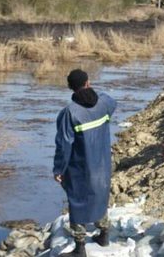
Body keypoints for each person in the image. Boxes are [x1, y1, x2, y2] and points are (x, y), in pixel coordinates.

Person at [54, 69, 117, 257]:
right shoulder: (104, 103)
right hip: (103, 163)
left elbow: (64, 145)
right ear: (88, 82)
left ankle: (80, 248)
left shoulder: (69, 113)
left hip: (80, 167)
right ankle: (104, 235)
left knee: (77, 202)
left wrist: (59, 169)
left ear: (69, 87)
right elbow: (111, 102)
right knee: (100, 196)